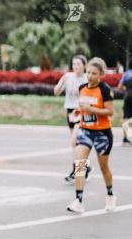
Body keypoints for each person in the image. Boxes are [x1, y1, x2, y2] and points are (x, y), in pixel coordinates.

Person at [66, 57, 115, 214]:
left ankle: (110, 195)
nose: (90, 76)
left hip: (102, 134)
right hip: (85, 131)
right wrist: (78, 112)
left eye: (94, 73)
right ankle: (78, 200)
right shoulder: (82, 88)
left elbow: (110, 111)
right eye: (88, 73)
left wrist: (92, 110)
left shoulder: (105, 89)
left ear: (100, 74)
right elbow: (83, 107)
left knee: (103, 167)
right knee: (80, 162)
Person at [54, 55, 89, 182]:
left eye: (78, 64)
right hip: (70, 111)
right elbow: (56, 92)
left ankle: (77, 171)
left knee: (75, 141)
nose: (76, 67)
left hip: (83, 111)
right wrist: (60, 84)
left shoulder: (87, 78)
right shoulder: (68, 77)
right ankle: (84, 167)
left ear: (84, 66)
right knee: (77, 144)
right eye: (74, 64)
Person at [116, 63, 132, 144]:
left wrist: (126, 89)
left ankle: (125, 138)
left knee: (126, 118)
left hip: (128, 97)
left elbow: (119, 87)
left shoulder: (126, 74)